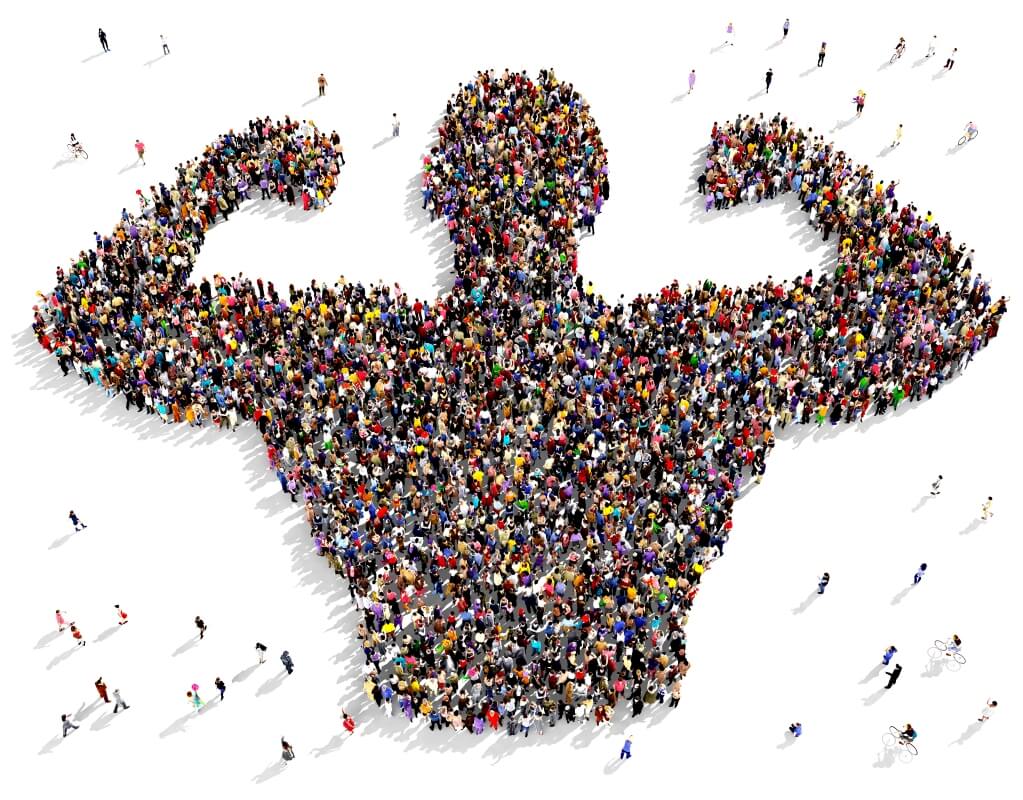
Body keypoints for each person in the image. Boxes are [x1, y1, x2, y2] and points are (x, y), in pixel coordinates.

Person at [31, 71, 1010, 737]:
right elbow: (944, 308)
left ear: (443, 199)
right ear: (589, 200)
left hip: (433, 682)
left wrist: (227, 174)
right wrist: (806, 172)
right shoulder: (685, 354)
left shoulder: (354, 355)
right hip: (607, 681)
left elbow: (89, 313)